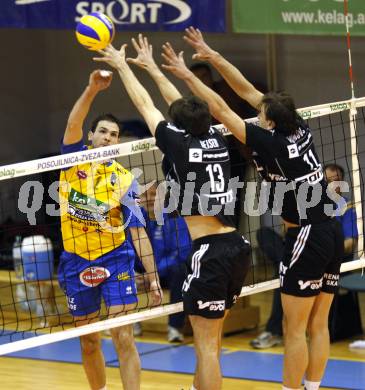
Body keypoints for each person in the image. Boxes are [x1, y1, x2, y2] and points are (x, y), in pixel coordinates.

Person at [161, 27, 345, 390]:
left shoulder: (268, 140)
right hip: (331, 229)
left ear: (270, 122)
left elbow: (221, 108)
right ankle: (312, 387)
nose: (256, 114)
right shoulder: (297, 124)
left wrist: (186, 76)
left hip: (306, 234)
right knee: (318, 323)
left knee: (294, 330)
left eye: (261, 115)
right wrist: (210, 54)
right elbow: (246, 89)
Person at [95, 36, 251, 390]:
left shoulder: (177, 144)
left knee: (206, 347)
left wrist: (123, 66)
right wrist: (151, 66)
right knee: (212, 342)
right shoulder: (217, 137)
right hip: (236, 246)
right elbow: (178, 105)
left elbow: (146, 103)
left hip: (210, 253)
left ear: (179, 125)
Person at [58, 69, 162, 390]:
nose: (107, 138)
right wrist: (91, 90)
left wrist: (153, 276)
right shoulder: (72, 162)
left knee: (123, 334)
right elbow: (73, 123)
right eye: (102, 132)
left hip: (115, 258)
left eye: (114, 134)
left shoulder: (125, 181)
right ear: (90, 136)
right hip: (76, 261)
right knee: (89, 341)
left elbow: (138, 233)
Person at [250, 163, 358, 349]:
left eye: (331, 180)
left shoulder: (346, 208)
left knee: (284, 278)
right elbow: (289, 232)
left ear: (340, 184)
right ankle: (284, 264)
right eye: (324, 180)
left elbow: (350, 243)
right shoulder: (309, 201)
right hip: (301, 250)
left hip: (327, 257)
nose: (326, 184)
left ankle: (274, 332)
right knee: (264, 234)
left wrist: (325, 244)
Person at [133, 182, 192, 342]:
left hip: (168, 274)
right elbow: (136, 252)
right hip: (149, 274)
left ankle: (175, 328)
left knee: (181, 272)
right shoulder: (138, 220)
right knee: (124, 272)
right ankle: (131, 324)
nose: (149, 199)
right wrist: (139, 273)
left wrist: (153, 274)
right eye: (144, 195)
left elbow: (181, 253)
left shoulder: (172, 216)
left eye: (153, 194)